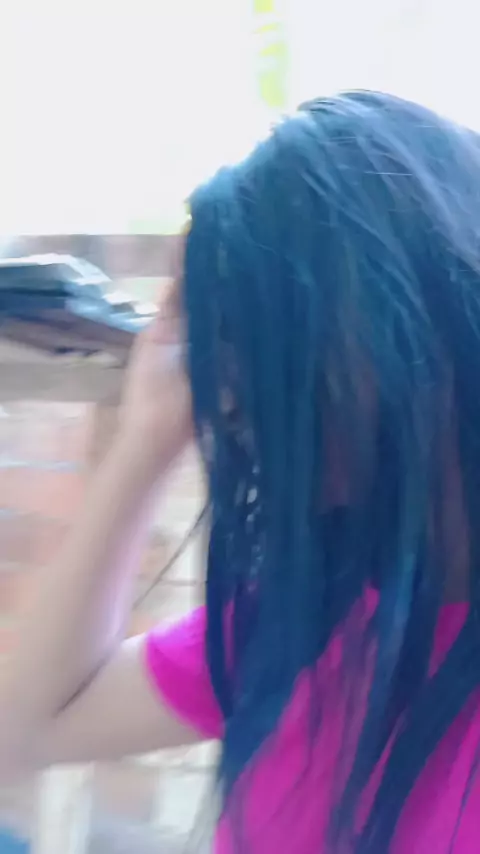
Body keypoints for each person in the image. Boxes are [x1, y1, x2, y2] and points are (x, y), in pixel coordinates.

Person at [1, 91, 480, 853]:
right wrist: (145, 442)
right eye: (229, 350)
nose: (239, 399)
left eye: (276, 344)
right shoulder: (309, 616)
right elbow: (24, 727)